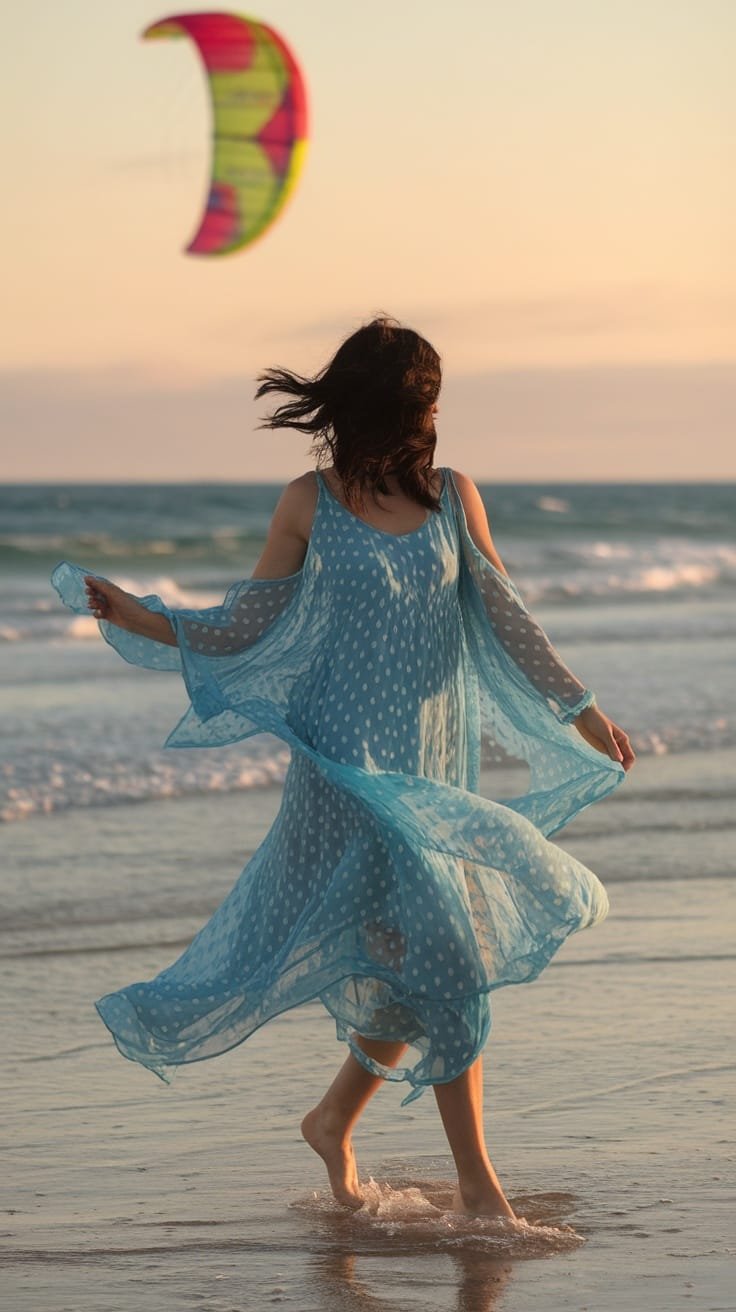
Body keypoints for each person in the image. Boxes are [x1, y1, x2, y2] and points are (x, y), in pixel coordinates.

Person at [51, 316, 635, 1221]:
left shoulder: (452, 496)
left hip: (431, 771)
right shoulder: (306, 502)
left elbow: (508, 615)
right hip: (343, 775)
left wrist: (579, 707)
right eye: (418, 399)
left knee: (420, 961)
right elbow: (247, 626)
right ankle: (481, 1191)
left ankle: (332, 1119)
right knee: (444, 956)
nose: (433, 414)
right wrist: (143, 615)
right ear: (376, 406)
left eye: (434, 400)